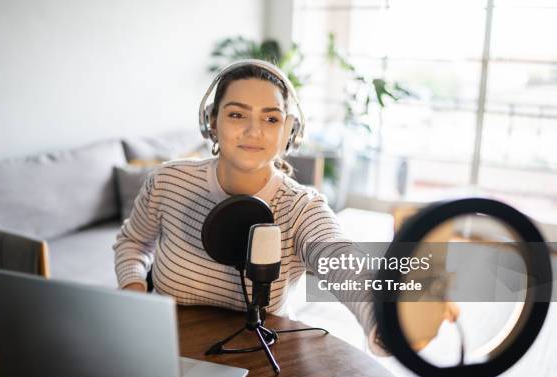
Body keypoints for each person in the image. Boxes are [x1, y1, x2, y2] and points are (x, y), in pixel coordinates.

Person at [113, 60, 457, 355]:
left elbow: (341, 261)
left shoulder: (301, 208)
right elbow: (133, 242)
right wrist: (134, 292)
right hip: (166, 348)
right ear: (212, 122)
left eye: (271, 119)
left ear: (289, 132)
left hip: (257, 360)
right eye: (236, 114)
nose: (253, 131)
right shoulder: (168, 181)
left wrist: (389, 320)